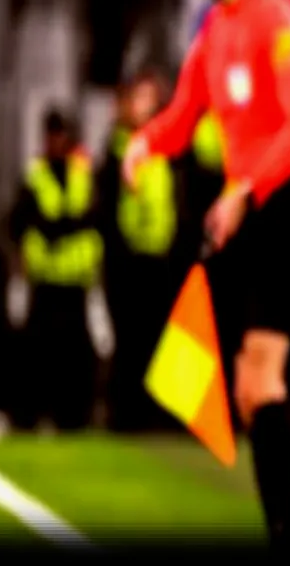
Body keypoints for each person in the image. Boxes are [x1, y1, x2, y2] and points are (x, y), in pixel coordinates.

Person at [122, 0, 290, 549]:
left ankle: (284, 536)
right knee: (245, 388)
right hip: (243, 212)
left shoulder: (276, 16)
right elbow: (183, 116)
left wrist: (242, 189)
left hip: (282, 201)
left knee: (261, 381)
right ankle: (280, 529)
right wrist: (144, 142)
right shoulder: (214, 28)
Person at [6, 109, 103, 431]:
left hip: (76, 280)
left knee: (77, 355)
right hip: (45, 280)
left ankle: (76, 415)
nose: (58, 141)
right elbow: (16, 223)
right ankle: (34, 415)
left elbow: (96, 219)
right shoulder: (35, 175)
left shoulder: (83, 174)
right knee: (40, 354)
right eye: (53, 134)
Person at [98, 70, 183, 432]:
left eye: (148, 98)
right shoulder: (117, 148)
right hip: (126, 261)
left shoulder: (171, 151)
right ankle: (125, 415)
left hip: (162, 261)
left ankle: (159, 417)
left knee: (160, 340)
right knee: (129, 340)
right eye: (137, 98)